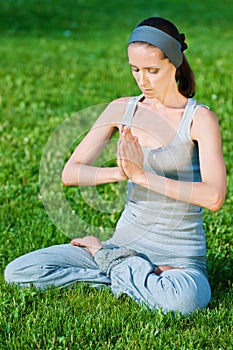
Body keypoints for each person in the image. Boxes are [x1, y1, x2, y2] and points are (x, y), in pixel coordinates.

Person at [4, 17, 226, 314]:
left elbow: (213, 197)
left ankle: (111, 265)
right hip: (123, 244)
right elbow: (71, 172)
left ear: (174, 63)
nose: (142, 80)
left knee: (183, 302)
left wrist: (142, 176)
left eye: (152, 70)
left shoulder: (199, 119)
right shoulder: (124, 109)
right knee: (19, 271)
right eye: (135, 70)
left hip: (179, 262)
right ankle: (128, 269)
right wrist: (121, 172)